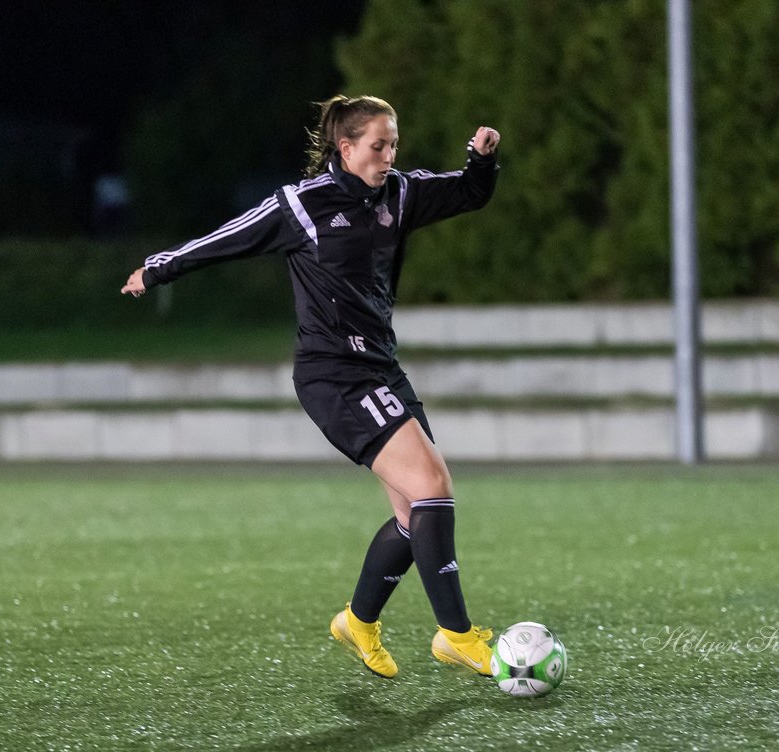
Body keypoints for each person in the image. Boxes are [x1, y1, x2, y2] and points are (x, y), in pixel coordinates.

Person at [122, 95, 500, 679]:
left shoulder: (398, 194)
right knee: (432, 486)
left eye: (393, 144)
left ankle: (358, 621)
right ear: (345, 149)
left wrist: (479, 162)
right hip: (333, 375)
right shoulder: (303, 206)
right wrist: (159, 266)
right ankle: (456, 634)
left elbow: (469, 193)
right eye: (378, 146)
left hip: (380, 367)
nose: (389, 155)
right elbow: (230, 238)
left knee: (411, 513)